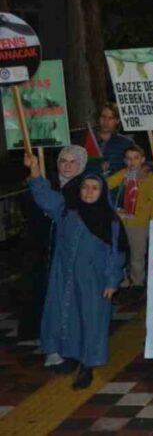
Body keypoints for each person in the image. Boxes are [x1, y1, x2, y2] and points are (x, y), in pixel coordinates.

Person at [25, 153, 124, 390]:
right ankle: (71, 355)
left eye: (94, 188)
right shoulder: (67, 212)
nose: (89, 192)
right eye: (85, 188)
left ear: (102, 192)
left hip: (94, 280)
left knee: (91, 321)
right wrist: (35, 171)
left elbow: (116, 254)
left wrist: (112, 281)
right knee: (67, 315)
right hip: (65, 276)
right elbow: (46, 198)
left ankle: (88, 365)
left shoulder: (108, 220)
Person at [19, 146, 88, 347]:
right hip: (42, 246)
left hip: (69, 251)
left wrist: (36, 176)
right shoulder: (52, 182)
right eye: (63, 161)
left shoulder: (86, 188)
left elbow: (55, 206)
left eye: (72, 161)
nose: (67, 166)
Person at [106, 145, 153, 289]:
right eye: (128, 158)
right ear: (124, 160)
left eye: (136, 158)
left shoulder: (150, 177)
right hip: (123, 221)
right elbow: (106, 184)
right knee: (121, 253)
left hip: (140, 223)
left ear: (143, 159)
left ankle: (137, 285)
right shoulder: (124, 173)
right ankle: (122, 283)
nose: (132, 162)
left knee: (137, 256)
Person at [88, 102, 134, 174]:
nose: (106, 122)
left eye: (110, 118)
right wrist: (98, 168)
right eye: (103, 117)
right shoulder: (88, 139)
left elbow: (134, 166)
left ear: (117, 120)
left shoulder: (126, 143)